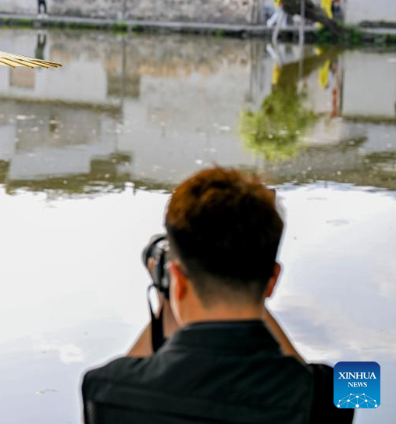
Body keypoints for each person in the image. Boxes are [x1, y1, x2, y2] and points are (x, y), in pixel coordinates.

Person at [81, 167, 354, 424]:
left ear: (177, 280)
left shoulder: (103, 388)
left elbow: (128, 375)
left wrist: (165, 302)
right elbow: (345, 388)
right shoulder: (338, 390)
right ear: (272, 280)